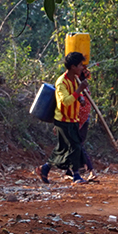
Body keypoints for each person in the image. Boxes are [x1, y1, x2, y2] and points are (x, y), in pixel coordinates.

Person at [40, 52, 90, 184]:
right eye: (80, 65)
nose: (81, 68)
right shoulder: (62, 82)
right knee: (75, 146)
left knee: (63, 148)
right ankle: (76, 175)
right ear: (73, 66)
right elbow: (65, 101)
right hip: (63, 120)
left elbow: (74, 97)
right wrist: (79, 90)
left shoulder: (76, 79)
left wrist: (81, 98)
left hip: (73, 119)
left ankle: (45, 168)